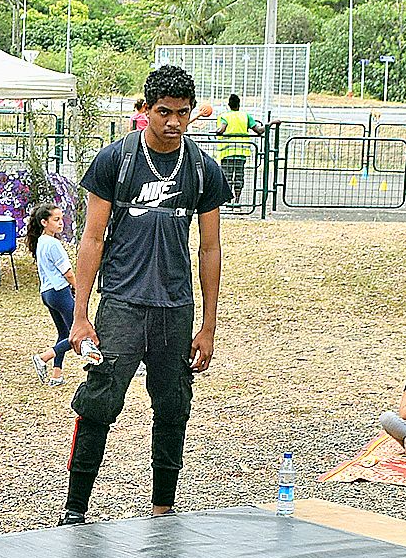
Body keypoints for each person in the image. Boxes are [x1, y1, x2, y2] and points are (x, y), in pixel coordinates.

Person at [59, 64, 228, 524]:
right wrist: (80, 316)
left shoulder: (202, 169)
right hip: (121, 305)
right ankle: (74, 511)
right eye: (164, 112)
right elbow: (91, 239)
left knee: (174, 406)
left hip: (175, 309)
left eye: (184, 113)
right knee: (99, 402)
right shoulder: (116, 160)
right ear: (145, 111)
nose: (174, 122)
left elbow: (209, 248)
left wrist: (208, 325)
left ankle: (163, 510)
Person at [29, 204, 74, 384]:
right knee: (78, 335)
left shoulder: (41, 242)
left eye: (61, 219)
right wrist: (78, 289)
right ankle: (43, 358)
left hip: (47, 294)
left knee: (64, 333)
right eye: (56, 220)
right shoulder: (54, 244)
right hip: (60, 292)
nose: (60, 223)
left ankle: (56, 375)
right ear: (44, 222)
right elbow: (68, 273)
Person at [216, 92, 259, 205]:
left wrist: (216, 132)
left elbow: (221, 130)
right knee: (239, 177)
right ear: (239, 104)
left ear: (228, 105)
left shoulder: (225, 116)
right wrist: (270, 124)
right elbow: (258, 130)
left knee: (227, 177)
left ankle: (228, 200)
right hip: (241, 153)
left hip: (227, 153)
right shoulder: (246, 116)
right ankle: (237, 200)